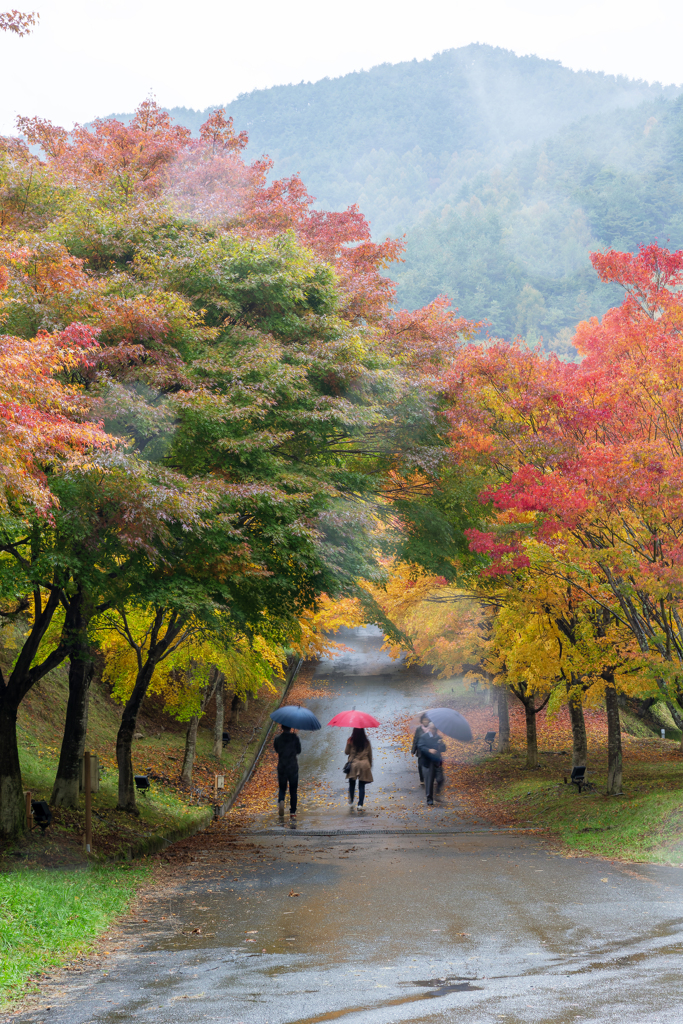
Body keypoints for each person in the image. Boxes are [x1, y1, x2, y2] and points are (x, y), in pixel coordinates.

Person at [274, 724, 301, 818]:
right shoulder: (295, 738)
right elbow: (299, 751)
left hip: (282, 767)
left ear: (282, 727)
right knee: (293, 791)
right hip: (293, 767)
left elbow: (277, 750)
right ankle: (292, 812)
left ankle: (281, 801)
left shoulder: (278, 739)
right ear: (290, 728)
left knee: (282, 788)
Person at [417, 720, 446, 806]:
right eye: (433, 728)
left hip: (437, 761)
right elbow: (420, 746)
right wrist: (429, 750)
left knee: (440, 779)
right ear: (429, 728)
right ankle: (429, 799)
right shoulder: (424, 737)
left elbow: (443, 749)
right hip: (427, 762)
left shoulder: (438, 737)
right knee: (429, 781)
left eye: (435, 729)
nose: (434, 730)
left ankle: (437, 793)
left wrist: (442, 745)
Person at [345, 727, 373, 812]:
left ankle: (351, 802)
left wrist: (349, 745)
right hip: (364, 764)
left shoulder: (350, 740)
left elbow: (346, 752)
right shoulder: (367, 742)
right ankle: (360, 805)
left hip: (353, 764)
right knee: (361, 785)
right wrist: (370, 765)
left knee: (352, 784)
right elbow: (370, 755)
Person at [411, 714, 431, 785]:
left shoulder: (432, 728)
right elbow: (415, 739)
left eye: (427, 720)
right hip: (421, 751)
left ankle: (430, 778)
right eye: (424, 720)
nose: (425, 721)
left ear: (429, 721)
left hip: (429, 750)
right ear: (422, 721)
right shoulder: (419, 729)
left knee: (430, 765)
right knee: (420, 765)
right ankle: (422, 779)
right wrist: (413, 750)